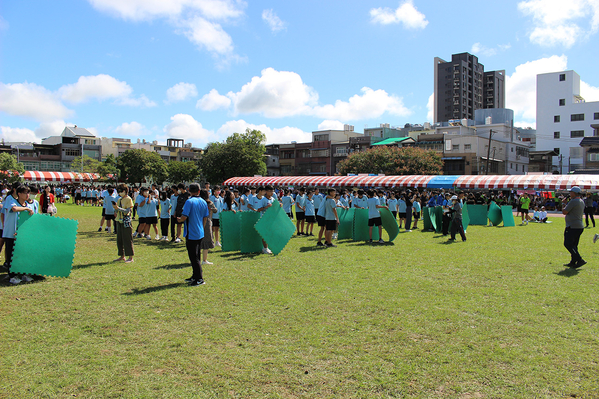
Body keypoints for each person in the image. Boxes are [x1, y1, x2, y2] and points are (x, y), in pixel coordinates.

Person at [178, 183, 209, 286]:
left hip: (191, 233)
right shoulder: (203, 202)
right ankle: (195, 275)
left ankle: (199, 278)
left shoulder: (189, 202)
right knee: (197, 256)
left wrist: (179, 220)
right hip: (200, 232)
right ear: (199, 191)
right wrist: (202, 228)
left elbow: (184, 216)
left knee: (193, 257)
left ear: (189, 190)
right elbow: (205, 217)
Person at [3, 185, 35, 284]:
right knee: (11, 255)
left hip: (22, 235)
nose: (27, 195)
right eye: (25, 193)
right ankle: (12, 276)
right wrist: (25, 209)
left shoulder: (28, 206)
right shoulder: (12, 201)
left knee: (23, 255)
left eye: (28, 193)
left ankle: (24, 274)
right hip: (10, 233)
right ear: (19, 194)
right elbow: (14, 209)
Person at [563, 186, 586, 268]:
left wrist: (563, 203)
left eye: (571, 192)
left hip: (572, 226)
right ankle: (573, 261)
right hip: (579, 226)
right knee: (574, 245)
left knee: (568, 244)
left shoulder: (573, 201)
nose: (570, 193)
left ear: (574, 193)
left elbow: (565, 211)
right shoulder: (581, 201)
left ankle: (579, 260)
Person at [113, 184, 134, 263]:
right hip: (119, 220)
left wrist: (118, 208)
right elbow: (117, 211)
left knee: (127, 239)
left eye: (121, 191)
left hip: (126, 221)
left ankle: (130, 257)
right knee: (120, 239)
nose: (119, 193)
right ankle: (122, 256)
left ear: (125, 191)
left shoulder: (129, 199)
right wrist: (115, 208)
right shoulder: (119, 200)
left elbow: (127, 211)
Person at [199, 189, 217, 265]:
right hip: (207, 223)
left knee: (198, 241)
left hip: (198, 222)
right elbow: (215, 210)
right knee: (206, 241)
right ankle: (204, 260)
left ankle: (197, 260)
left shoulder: (198, 203)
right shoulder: (209, 203)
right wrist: (212, 209)